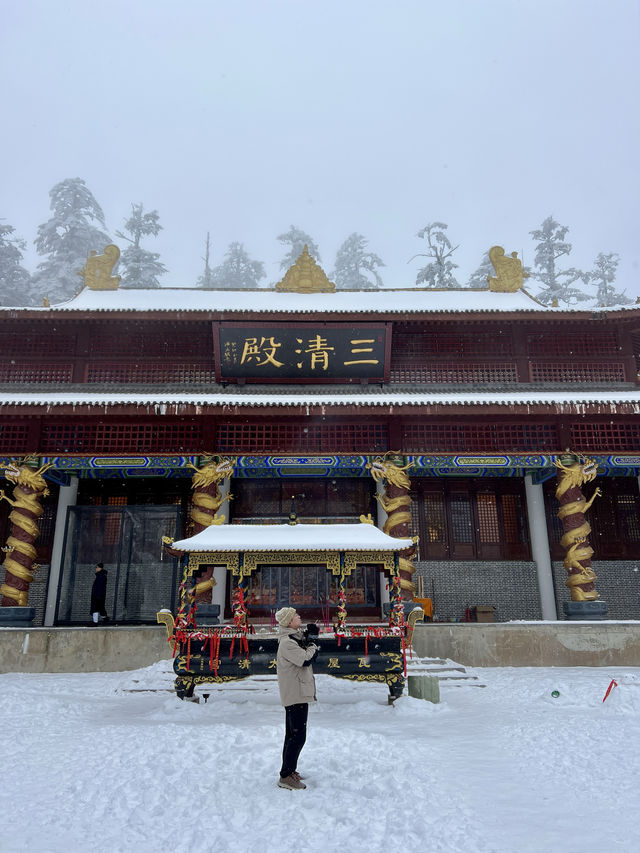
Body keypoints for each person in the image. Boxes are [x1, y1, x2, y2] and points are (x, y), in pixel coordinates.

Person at [275, 607, 319, 790]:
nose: (299, 617)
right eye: (296, 616)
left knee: (293, 735)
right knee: (297, 737)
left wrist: (308, 636)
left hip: (298, 691)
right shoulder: (287, 643)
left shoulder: (293, 637)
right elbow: (305, 659)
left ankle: (289, 771)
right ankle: (286, 775)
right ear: (288, 622)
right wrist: (313, 643)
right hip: (295, 693)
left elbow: (303, 645)